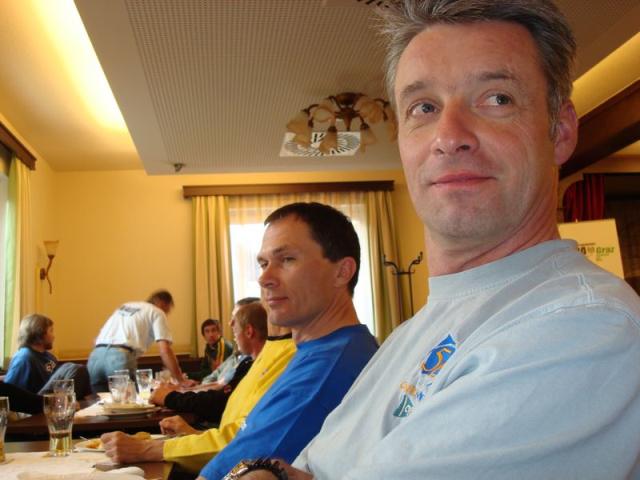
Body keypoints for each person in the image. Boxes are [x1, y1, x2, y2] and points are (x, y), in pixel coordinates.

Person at [231, 1, 640, 479]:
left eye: (496, 98)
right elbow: (302, 469)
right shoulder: (411, 332)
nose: (449, 135)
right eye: (424, 107)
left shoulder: (585, 326)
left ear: (562, 131)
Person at [193, 202, 379, 479]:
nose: (264, 278)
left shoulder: (329, 366)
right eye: (263, 263)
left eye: (287, 259)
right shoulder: (317, 350)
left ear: (342, 272)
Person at [100, 313, 297, 473]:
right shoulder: (258, 356)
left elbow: (245, 446)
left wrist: (146, 449)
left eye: (234, 320)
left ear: (249, 330)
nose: (229, 325)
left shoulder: (291, 355)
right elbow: (235, 427)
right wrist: (193, 434)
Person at [150, 301, 268, 423]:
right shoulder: (245, 361)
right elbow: (219, 388)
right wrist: (180, 389)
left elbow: (220, 399)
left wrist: (172, 396)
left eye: (236, 318)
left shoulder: (250, 362)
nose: (230, 323)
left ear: (249, 330)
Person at [87, 290, 189, 393]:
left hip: (96, 357)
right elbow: (165, 350)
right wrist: (181, 380)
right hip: (119, 357)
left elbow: (96, 339)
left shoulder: (125, 306)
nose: (167, 314)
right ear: (163, 303)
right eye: (168, 310)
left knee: (101, 400)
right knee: (128, 400)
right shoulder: (157, 312)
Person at [4, 313, 91, 400]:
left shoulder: (50, 357)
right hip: (37, 403)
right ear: (39, 333)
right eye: (51, 331)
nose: (54, 336)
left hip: (52, 400)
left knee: (81, 373)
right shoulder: (24, 358)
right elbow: (9, 392)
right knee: (74, 368)